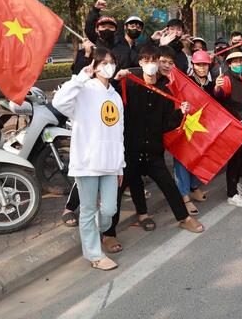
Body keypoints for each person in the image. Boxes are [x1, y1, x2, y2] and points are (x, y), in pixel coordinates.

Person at [101, 45, 203, 253]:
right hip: (129, 153)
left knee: (169, 186)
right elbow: (105, 97)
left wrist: (181, 114)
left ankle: (184, 218)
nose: (151, 65)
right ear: (140, 63)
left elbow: (166, 124)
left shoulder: (164, 92)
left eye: (154, 60)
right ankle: (108, 234)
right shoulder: (128, 85)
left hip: (154, 153)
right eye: (147, 61)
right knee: (116, 194)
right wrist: (116, 80)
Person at [52, 48, 124, 271]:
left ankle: (94, 230)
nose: (107, 66)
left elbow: (118, 132)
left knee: (110, 210)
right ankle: (94, 255)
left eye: (111, 61)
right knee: (88, 209)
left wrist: (121, 165)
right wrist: (81, 77)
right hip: (88, 163)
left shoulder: (115, 96)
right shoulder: (83, 90)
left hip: (111, 164)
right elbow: (59, 102)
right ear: (94, 66)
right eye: (102, 62)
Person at [174, 50, 213, 216]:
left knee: (200, 157)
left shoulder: (212, 85)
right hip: (185, 128)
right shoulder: (186, 82)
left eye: (205, 64)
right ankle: (184, 196)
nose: (202, 68)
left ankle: (194, 186)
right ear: (193, 66)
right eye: (198, 64)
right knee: (183, 160)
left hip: (202, 129)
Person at [214, 51, 242, 208]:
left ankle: (235, 183)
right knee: (234, 160)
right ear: (229, 64)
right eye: (235, 62)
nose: (239, 64)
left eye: (241, 62)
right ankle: (231, 194)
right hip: (234, 128)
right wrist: (217, 88)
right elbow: (220, 95)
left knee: (241, 158)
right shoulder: (226, 79)